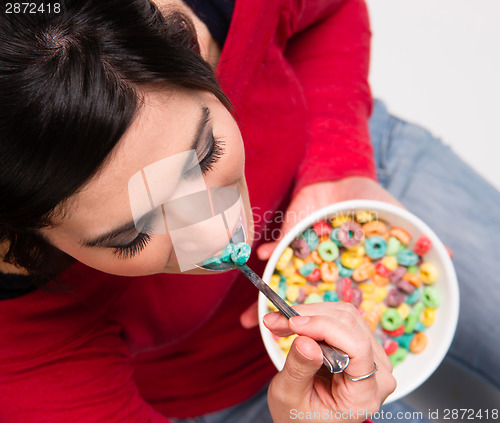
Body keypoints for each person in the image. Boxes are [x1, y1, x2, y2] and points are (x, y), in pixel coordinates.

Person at [1, 1, 499, 423]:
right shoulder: (18, 342)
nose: (219, 238)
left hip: (364, 170)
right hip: (230, 391)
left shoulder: (222, 9)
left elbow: (331, 13)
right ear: (23, 244)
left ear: (188, 49)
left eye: (205, 154)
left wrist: (339, 158)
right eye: (131, 234)